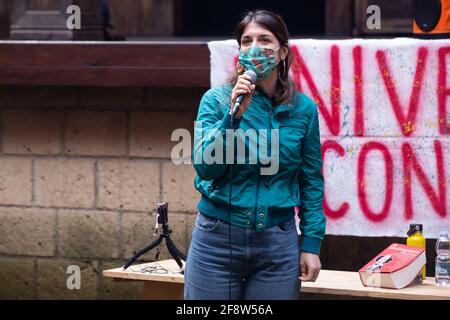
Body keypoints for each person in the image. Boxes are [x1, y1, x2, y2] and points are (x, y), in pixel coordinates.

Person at [184, 9, 326, 300]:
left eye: (264, 40)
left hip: (277, 245)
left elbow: (311, 181)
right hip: (216, 243)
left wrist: (311, 244)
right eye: (246, 41)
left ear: (282, 52)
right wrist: (234, 118)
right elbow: (206, 168)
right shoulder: (217, 100)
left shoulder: (303, 110)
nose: (254, 48)